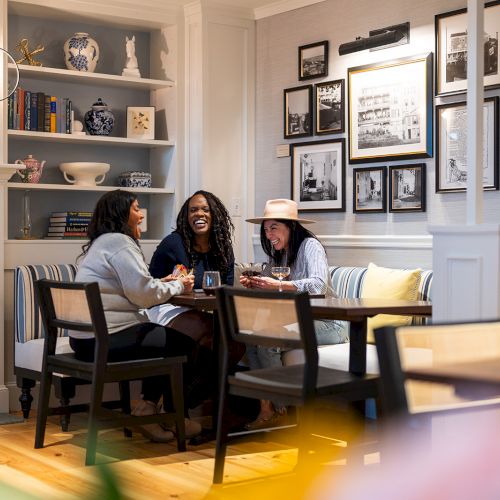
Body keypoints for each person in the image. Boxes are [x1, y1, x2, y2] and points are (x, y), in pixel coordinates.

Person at [73, 189, 199, 443]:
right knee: (183, 344)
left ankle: (152, 410)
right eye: (136, 209)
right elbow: (143, 296)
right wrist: (179, 286)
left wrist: (159, 282)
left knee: (166, 339)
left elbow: (133, 287)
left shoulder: (104, 242)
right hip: (106, 339)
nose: (141, 215)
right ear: (121, 213)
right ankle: (169, 415)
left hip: (84, 339)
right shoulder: (120, 242)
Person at [241, 198, 348, 430]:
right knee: (251, 337)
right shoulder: (280, 253)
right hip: (302, 321)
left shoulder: (310, 246)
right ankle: (267, 410)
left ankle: (282, 413)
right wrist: (256, 281)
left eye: (274, 228)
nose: (269, 235)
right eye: (266, 229)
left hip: (330, 324)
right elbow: (271, 280)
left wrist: (279, 286)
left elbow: (318, 285)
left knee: (268, 340)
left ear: (290, 226)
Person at [148, 190, 237, 411]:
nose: (199, 214)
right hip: (165, 309)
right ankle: (168, 405)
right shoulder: (173, 243)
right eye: (193, 210)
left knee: (234, 343)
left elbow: (226, 286)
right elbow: (150, 283)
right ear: (186, 216)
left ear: (214, 215)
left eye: (205, 209)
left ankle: (182, 402)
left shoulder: (223, 247)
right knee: (191, 335)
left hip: (203, 312)